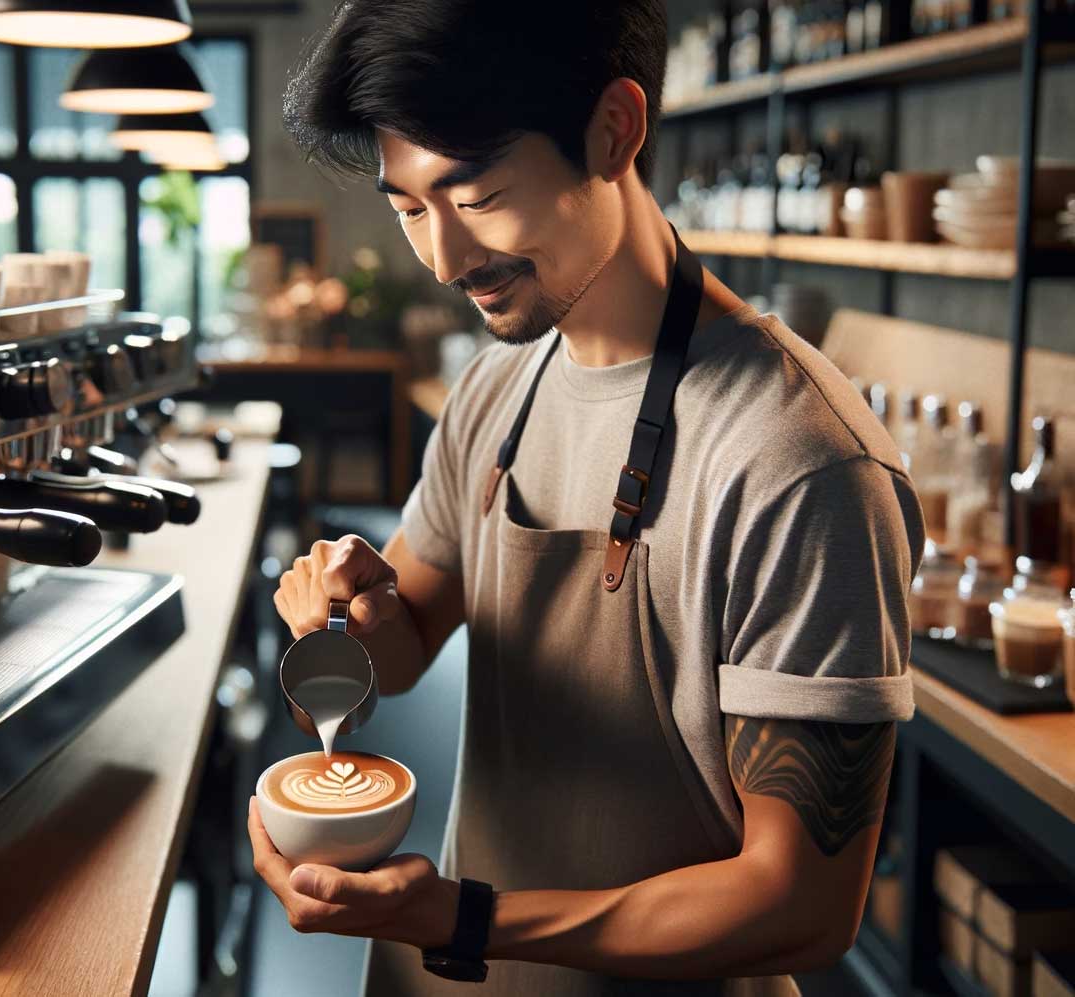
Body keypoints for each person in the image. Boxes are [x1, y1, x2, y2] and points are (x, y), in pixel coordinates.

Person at [248, 2, 924, 993]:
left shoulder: (800, 461)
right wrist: (354, 617)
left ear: (614, 129)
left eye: (475, 193)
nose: (441, 259)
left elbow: (803, 905)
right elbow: (403, 649)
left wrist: (465, 917)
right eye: (408, 207)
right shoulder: (493, 391)